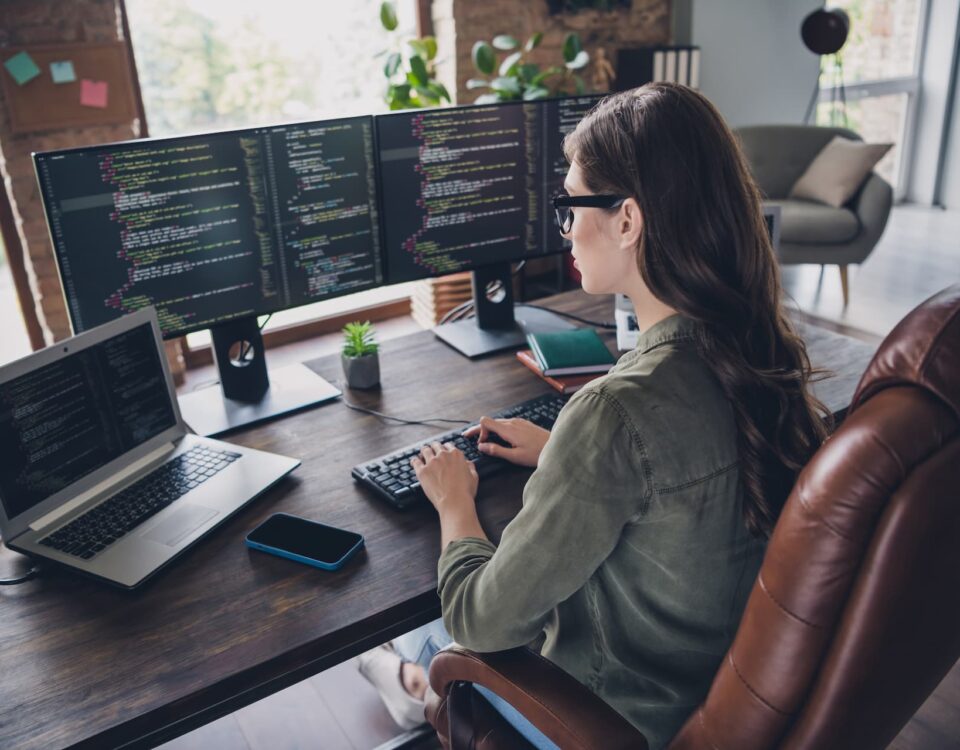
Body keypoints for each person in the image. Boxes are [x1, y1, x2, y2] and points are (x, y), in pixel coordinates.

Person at [357, 82, 829, 749]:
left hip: (607, 714)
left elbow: (484, 621)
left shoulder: (614, 412)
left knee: (434, 626)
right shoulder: (757, 351)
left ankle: (407, 684)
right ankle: (407, 683)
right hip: (708, 685)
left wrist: (454, 501)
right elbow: (675, 479)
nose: (567, 229)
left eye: (570, 206)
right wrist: (562, 451)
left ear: (629, 220)